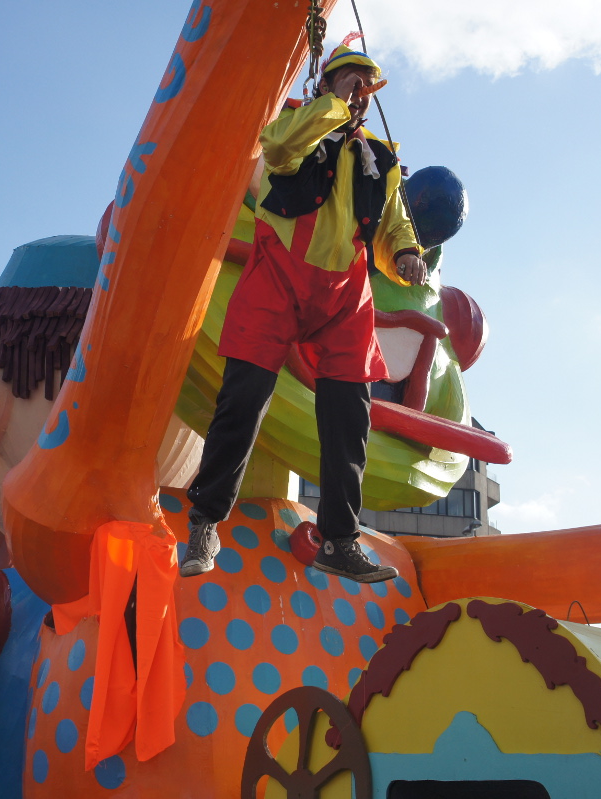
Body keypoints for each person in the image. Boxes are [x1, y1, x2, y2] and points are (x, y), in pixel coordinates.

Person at [180, 43, 424, 583]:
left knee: (349, 419)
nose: (359, 91)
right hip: (277, 280)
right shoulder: (295, 126)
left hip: (344, 297)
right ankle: (205, 522)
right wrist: (332, 105)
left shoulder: (380, 160)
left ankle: (339, 541)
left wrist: (407, 252)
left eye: (365, 84)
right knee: (242, 402)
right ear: (327, 84)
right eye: (349, 79)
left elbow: (393, 222)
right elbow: (278, 148)